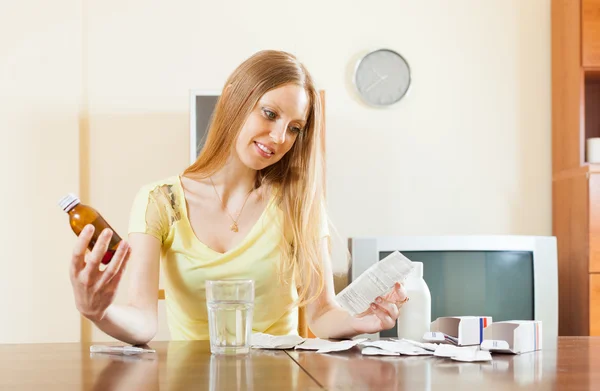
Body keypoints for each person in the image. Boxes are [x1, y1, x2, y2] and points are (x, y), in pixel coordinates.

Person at [68, 50, 408, 345]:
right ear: (233, 99)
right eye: (270, 113)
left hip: (281, 376)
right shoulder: (160, 201)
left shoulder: (298, 203)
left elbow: (321, 315)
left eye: (294, 128)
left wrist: (360, 322)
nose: (278, 137)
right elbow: (143, 320)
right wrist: (99, 312)